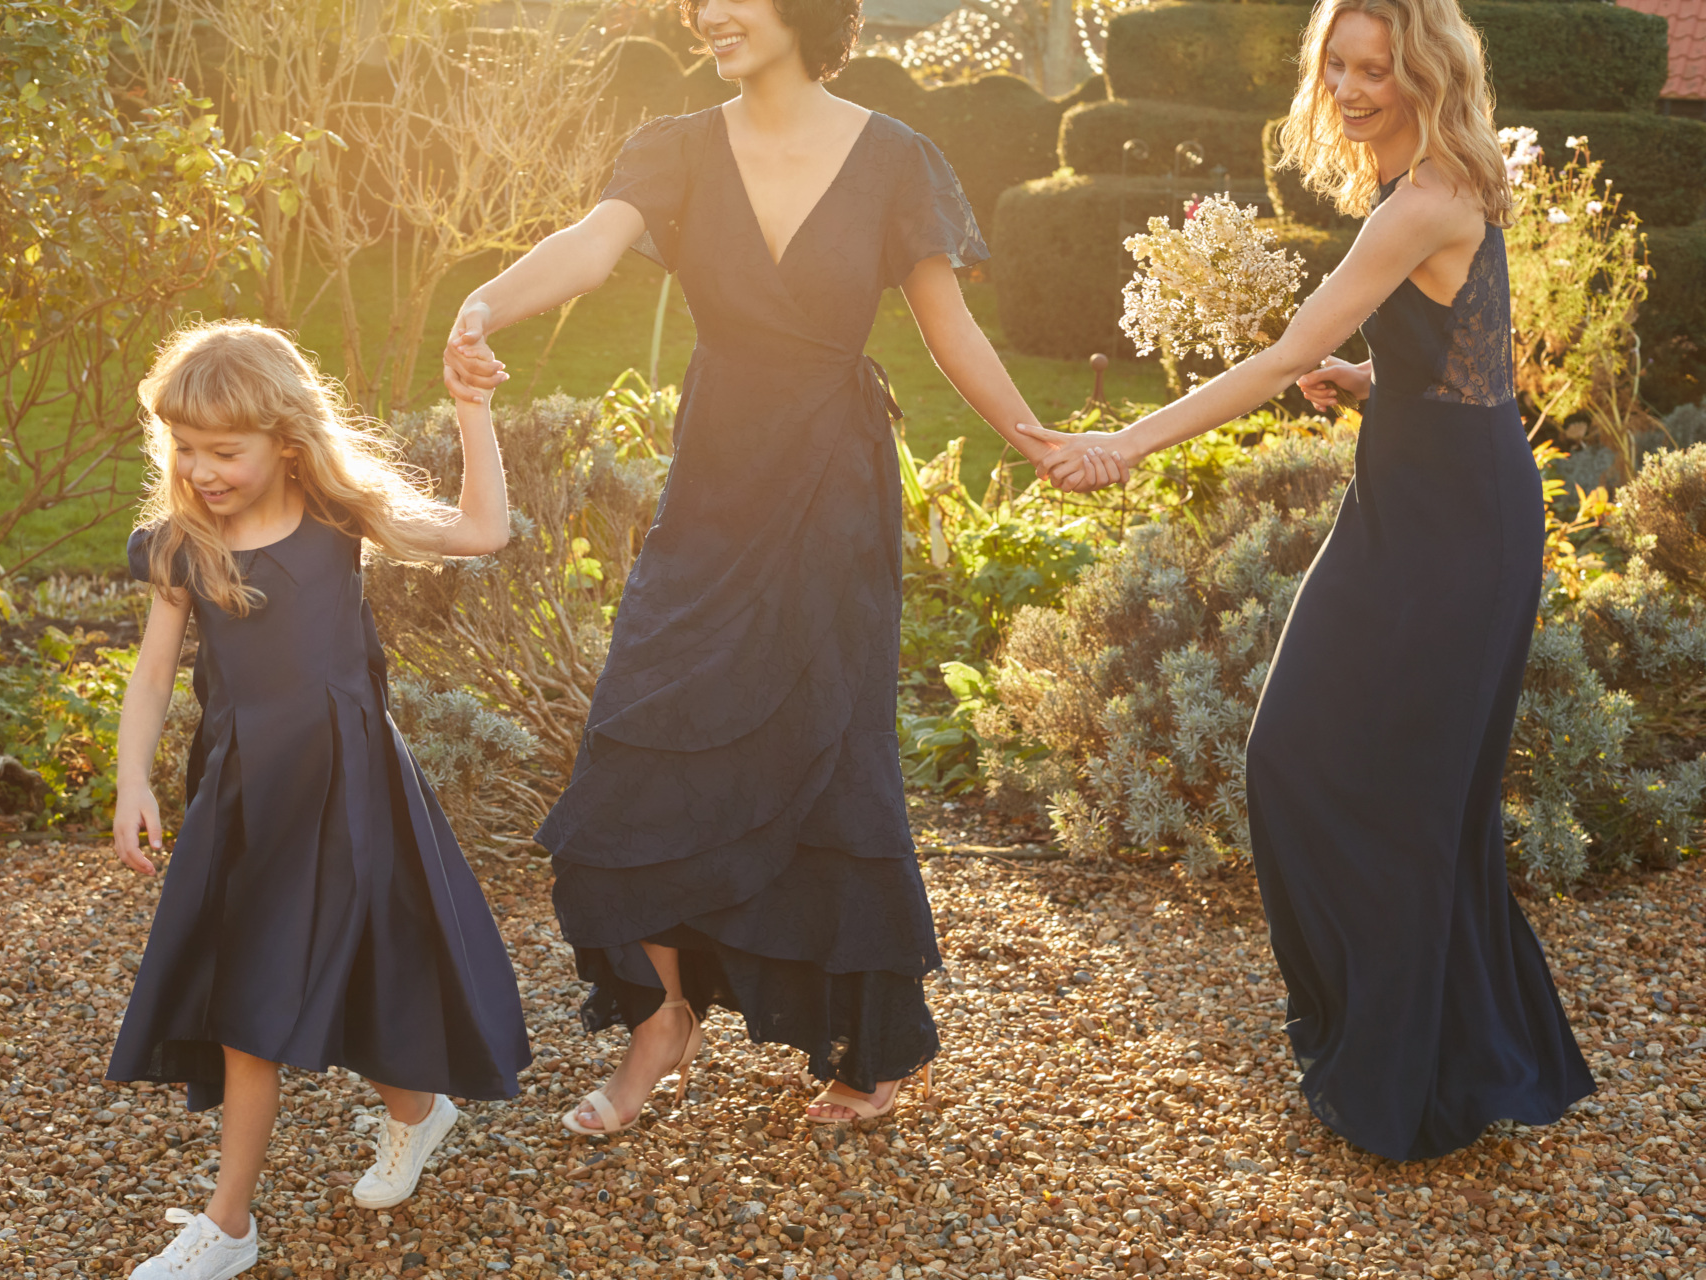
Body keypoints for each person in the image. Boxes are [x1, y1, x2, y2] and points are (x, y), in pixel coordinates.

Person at [443, 0, 1060, 1131]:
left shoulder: (898, 158)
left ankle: (864, 1053)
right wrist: (484, 303)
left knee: (828, 744)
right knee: (641, 728)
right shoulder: (675, 145)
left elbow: (948, 327)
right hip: (717, 476)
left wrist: (1040, 438)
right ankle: (662, 1018)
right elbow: (592, 241)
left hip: (832, 482)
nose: (708, 11)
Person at [1028, 0, 1595, 1160]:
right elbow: (1466, 369)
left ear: (1424, 73)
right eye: (1335, 65)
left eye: (1375, 68)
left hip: (1458, 533)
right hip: (1407, 507)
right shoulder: (1435, 188)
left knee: (1415, 796)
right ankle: (1411, 1047)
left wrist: (1123, 446)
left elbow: (1286, 352)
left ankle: (1412, 1075)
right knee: (1294, 755)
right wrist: (1374, 375)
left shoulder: (1429, 197)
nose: (1349, 87)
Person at [107, 321, 531, 1278]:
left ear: (286, 439)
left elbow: (480, 533)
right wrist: (134, 776)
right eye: (186, 448)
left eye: (226, 450)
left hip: (352, 792)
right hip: (249, 798)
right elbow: (154, 671)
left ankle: (417, 1115)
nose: (202, 469)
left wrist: (472, 409)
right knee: (248, 997)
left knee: (360, 968)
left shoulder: (340, 517)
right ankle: (230, 1223)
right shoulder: (184, 545)